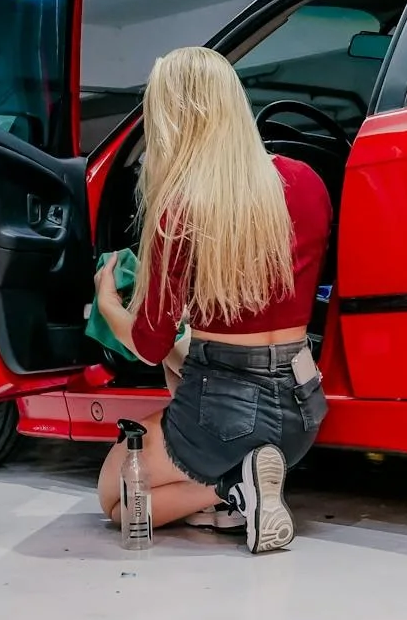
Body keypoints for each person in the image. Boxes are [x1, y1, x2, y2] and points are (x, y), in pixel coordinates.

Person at [93, 46, 332, 554]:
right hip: (302, 405)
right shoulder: (307, 183)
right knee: (188, 360)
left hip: (228, 413)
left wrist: (109, 303)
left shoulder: (180, 207)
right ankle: (236, 497)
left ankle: (231, 484)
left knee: (117, 501)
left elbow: (150, 346)